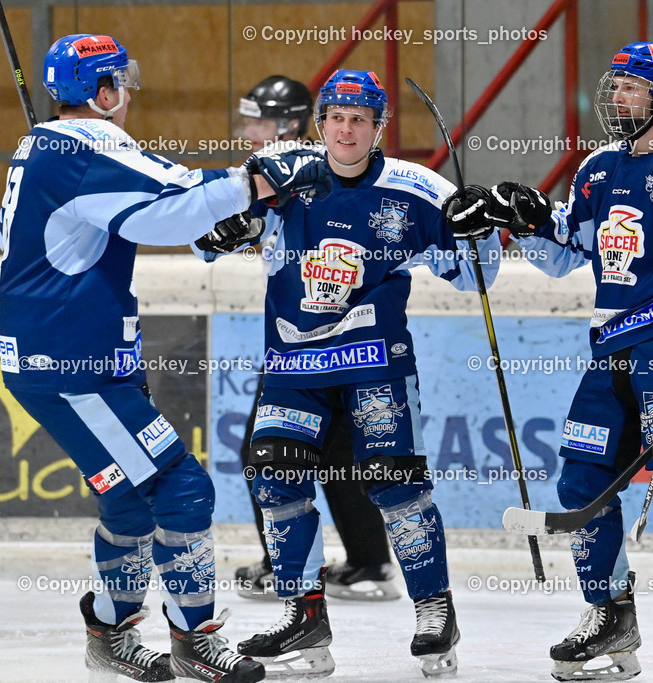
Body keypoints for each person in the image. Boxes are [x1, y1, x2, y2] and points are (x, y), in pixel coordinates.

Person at [0, 33, 329, 683]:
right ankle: (194, 636)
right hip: (73, 361)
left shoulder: (40, 146)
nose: (127, 93)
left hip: (54, 354)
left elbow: (17, 235)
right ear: (103, 92)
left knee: (128, 503)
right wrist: (259, 179)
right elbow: (171, 209)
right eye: (119, 80)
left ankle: (109, 632)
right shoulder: (91, 144)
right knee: (182, 487)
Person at [194, 69, 500, 677]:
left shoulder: (415, 188)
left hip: (374, 362)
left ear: (379, 126)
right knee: (274, 477)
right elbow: (206, 236)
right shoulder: (285, 170)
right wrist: (231, 225)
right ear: (321, 122)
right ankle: (303, 615)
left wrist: (478, 231)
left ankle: (435, 610)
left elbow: (476, 273)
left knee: (394, 482)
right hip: (294, 363)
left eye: (359, 119)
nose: (346, 129)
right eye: (335, 117)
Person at [484, 42, 653, 681]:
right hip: (609, 352)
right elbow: (571, 251)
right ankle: (611, 615)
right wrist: (531, 223)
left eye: (632, 87)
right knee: (580, 485)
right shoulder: (598, 166)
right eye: (617, 85)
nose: (618, 98)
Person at [230, 75, 399, 603]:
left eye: (259, 119)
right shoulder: (308, 167)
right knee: (338, 454)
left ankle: (294, 565)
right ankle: (367, 562)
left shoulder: (290, 170)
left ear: (289, 122)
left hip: (311, 341)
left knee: (269, 453)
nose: (249, 130)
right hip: (342, 340)